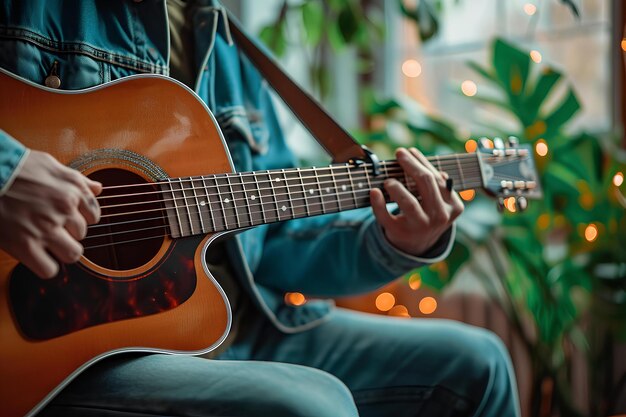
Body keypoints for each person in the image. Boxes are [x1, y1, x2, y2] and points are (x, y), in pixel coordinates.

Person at [0, 1, 522, 416]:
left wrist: (398, 240)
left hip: (236, 323)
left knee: (480, 362)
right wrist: (9, 173)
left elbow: (276, 242)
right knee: (310, 406)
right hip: (77, 350)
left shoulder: (225, 43)